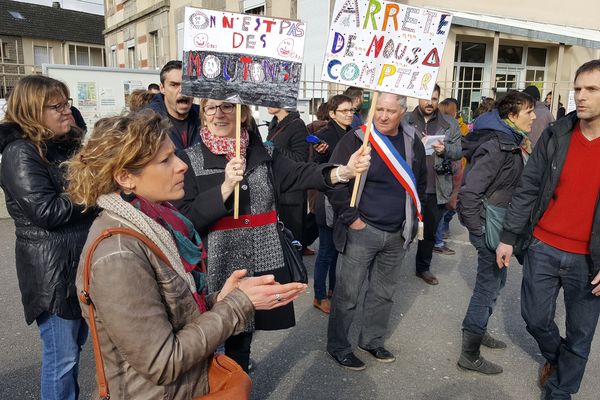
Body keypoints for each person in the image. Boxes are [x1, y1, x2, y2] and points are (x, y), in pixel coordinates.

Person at [65, 110, 305, 399]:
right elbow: (162, 362)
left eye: (174, 155)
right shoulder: (119, 256)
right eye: (165, 160)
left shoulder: (155, 221)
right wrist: (238, 305)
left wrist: (219, 298)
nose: (181, 166)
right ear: (125, 177)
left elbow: (169, 309)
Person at [173, 98, 371, 372]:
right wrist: (226, 187)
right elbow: (185, 220)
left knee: (242, 336)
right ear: (203, 116)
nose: (219, 114)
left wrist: (343, 172)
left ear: (242, 115)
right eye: (211, 108)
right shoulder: (187, 159)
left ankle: (236, 382)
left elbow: (303, 174)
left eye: (228, 107)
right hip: (213, 264)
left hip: (257, 259)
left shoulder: (265, 153)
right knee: (205, 336)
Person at [496, 59, 600, 399]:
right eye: (578, 88)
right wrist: (509, 237)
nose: (581, 96)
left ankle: (559, 391)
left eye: (592, 90)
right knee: (535, 318)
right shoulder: (558, 134)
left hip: (590, 260)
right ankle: (558, 357)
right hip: (543, 246)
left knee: (581, 335)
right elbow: (529, 186)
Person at [0, 75, 95, 400]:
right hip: (52, 273)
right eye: (58, 106)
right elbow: (47, 211)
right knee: (62, 358)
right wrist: (93, 190)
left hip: (78, 263)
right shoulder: (20, 153)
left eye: (67, 103)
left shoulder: (61, 147)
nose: (68, 111)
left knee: (74, 350)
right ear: (32, 111)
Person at [326, 92, 427, 370]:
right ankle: (338, 346)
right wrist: (351, 219)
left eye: (390, 111)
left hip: (397, 232)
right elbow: (332, 179)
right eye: (379, 109)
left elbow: (420, 181)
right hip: (362, 229)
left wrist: (413, 223)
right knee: (348, 294)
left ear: (403, 112)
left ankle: (371, 340)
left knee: (383, 293)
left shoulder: (411, 141)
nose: (383, 116)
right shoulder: (356, 138)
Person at [457, 91, 536, 375]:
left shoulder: (512, 141)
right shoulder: (497, 145)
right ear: (511, 116)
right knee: (487, 286)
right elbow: (469, 193)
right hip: (490, 230)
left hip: (500, 228)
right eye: (529, 112)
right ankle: (470, 353)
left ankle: (479, 330)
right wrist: (479, 232)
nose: (535, 117)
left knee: (497, 283)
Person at [406, 84, 462, 285]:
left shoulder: (449, 123)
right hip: (409, 185)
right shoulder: (406, 120)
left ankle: (423, 267)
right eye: (426, 98)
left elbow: (458, 151)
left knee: (428, 232)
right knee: (399, 228)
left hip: (436, 186)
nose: (430, 103)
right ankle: (389, 265)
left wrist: (444, 149)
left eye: (434, 98)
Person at [311, 94, 354, 314]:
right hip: (328, 199)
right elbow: (314, 167)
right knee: (326, 250)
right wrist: (319, 154)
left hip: (348, 198)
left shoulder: (354, 133)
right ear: (332, 113)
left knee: (340, 248)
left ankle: (333, 289)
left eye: (351, 111)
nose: (349, 114)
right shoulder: (323, 135)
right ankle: (319, 295)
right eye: (344, 111)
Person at [266, 107, 310, 252]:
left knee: (292, 246)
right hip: (277, 190)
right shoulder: (274, 124)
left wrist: (275, 149)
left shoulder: (297, 124)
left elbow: (300, 159)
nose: (267, 102)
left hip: (292, 194)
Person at [433, 98, 468, 255]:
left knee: (447, 203)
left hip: (453, 168)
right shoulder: (455, 125)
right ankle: (438, 239)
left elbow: (460, 147)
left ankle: (439, 236)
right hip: (451, 169)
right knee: (447, 203)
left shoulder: (457, 124)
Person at [146, 60, 200, 150]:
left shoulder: (206, 117)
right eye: (174, 85)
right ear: (162, 88)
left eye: (188, 85)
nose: (182, 91)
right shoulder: (148, 122)